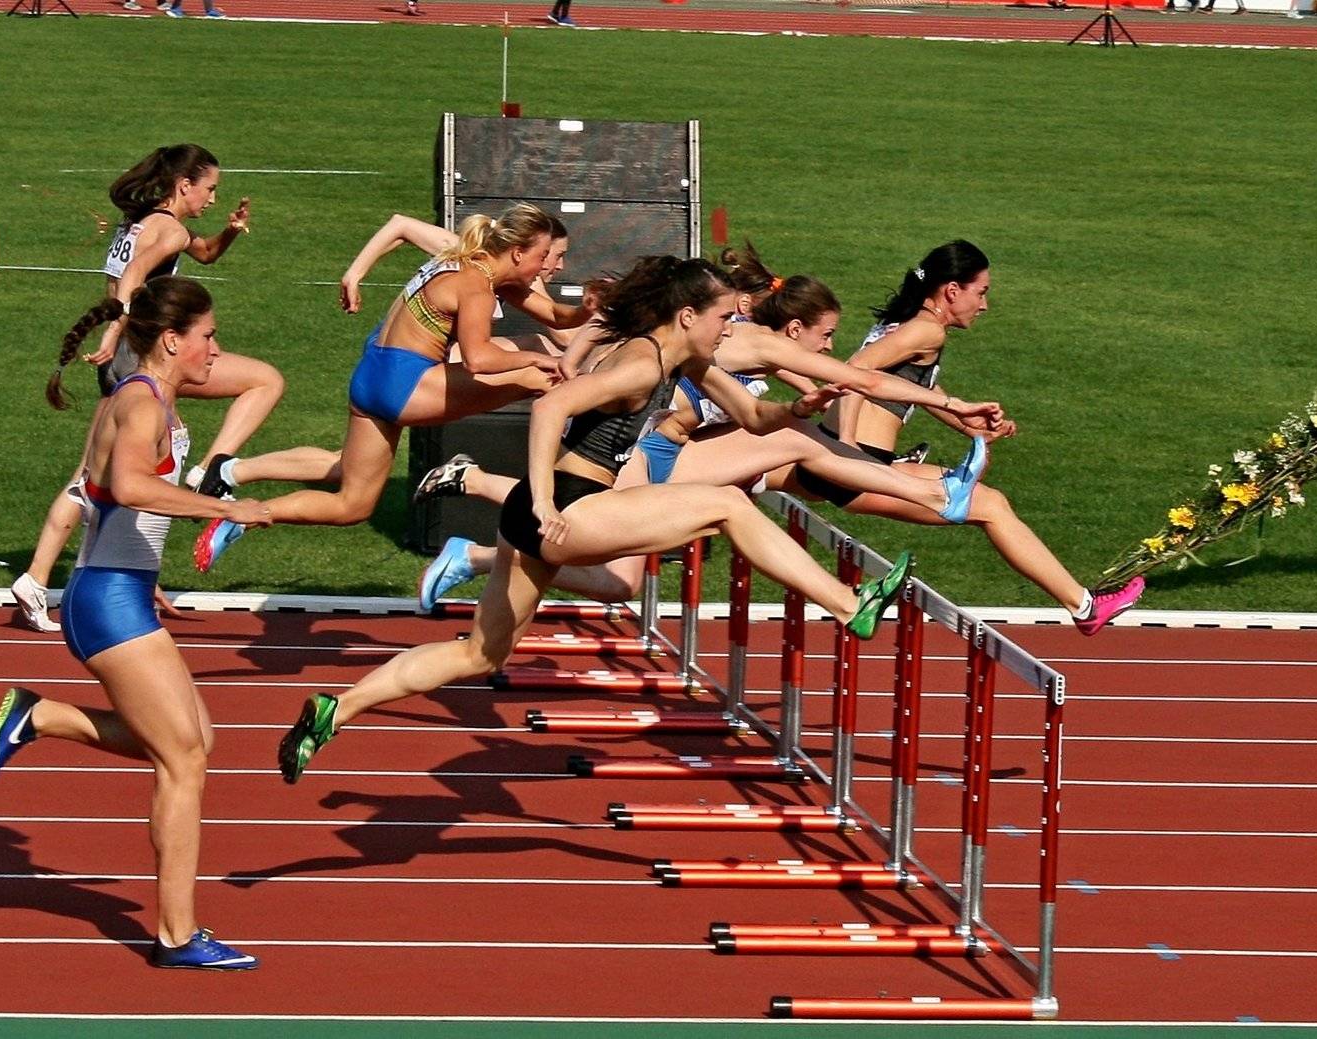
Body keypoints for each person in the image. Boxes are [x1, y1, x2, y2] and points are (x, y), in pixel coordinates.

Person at [271, 256, 918, 783]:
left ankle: (336, 708)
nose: (731, 328)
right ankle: (849, 604)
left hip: (538, 515)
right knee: (726, 505)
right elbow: (550, 408)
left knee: (478, 653)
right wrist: (546, 500)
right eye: (723, 317)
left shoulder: (684, 358)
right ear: (687, 315)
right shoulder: (641, 362)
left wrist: (797, 408)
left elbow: (753, 418)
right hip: (568, 507)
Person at [0, 277, 271, 969]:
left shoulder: (141, 396)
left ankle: (40, 716)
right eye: (207, 335)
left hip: (118, 589)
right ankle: (176, 934)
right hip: (107, 601)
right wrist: (226, 508)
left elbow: (98, 495)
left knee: (195, 741)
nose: (215, 349)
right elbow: (131, 486)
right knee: (183, 760)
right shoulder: (140, 403)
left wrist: (146, 569)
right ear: (172, 339)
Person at [414, 272, 999, 608]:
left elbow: (795, 397)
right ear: (791, 328)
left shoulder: (746, 351)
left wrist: (803, 404)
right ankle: (933, 497)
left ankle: (476, 549)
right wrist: (951, 405)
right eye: (825, 336)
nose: (827, 347)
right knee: (795, 446)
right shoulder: (750, 343)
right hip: (643, 454)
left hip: (655, 452)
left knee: (619, 584)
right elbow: (861, 379)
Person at [191, 203, 588, 571]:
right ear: (517, 253)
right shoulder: (476, 286)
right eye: (543, 257)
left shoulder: (463, 258)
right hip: (404, 382)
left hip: (372, 375)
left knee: (352, 506)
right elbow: (478, 359)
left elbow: (556, 315)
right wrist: (533, 359)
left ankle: (242, 517)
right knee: (545, 375)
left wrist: (587, 310)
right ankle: (586, 475)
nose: (546, 268)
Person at [780, 240, 1144, 636]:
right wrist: (848, 452)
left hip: (845, 454)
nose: (984, 305)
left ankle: (1083, 604)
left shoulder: (910, 323)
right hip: (854, 464)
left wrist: (968, 423)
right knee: (989, 507)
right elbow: (853, 373)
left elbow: (905, 384)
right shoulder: (926, 330)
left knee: (992, 503)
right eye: (981, 292)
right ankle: (1084, 607)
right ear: (952, 290)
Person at [10, 144, 280, 633]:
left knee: (91, 475)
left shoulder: (142, 222)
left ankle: (37, 576)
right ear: (184, 185)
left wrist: (230, 232)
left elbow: (205, 253)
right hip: (140, 354)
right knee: (265, 380)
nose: (213, 199)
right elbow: (134, 276)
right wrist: (116, 330)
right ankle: (211, 471)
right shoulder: (169, 229)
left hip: (122, 354)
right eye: (209, 189)